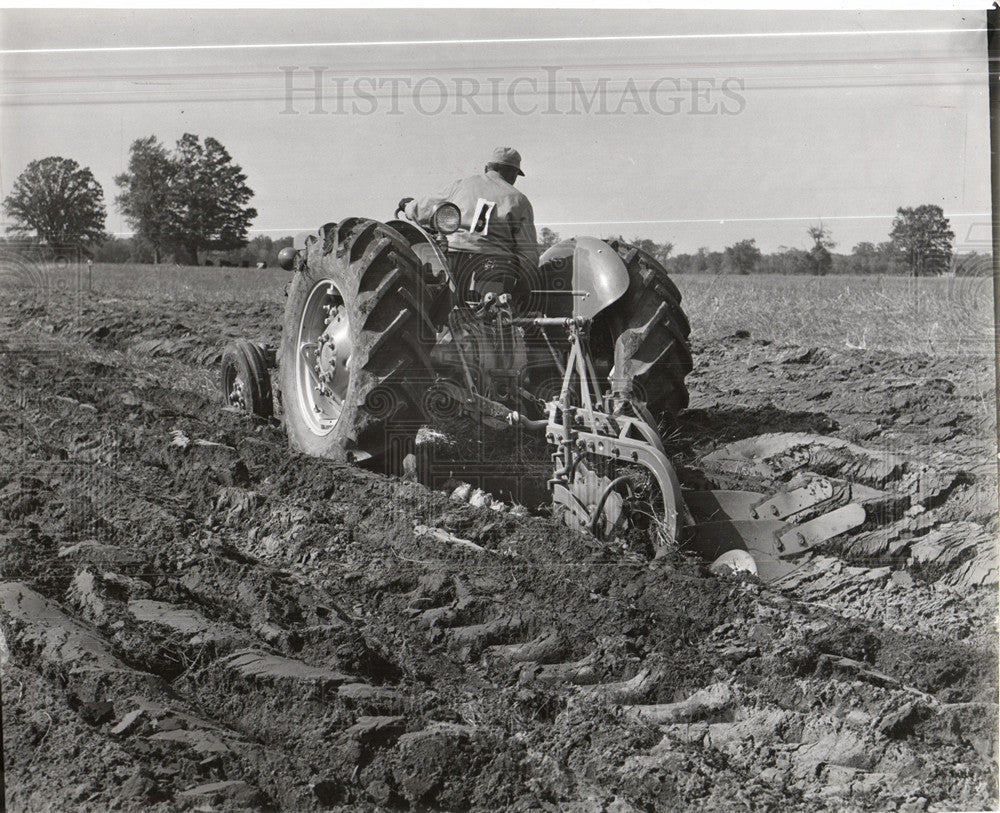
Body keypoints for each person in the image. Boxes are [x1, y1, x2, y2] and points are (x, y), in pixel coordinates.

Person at [399, 147, 539, 299]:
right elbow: (528, 254)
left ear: (487, 167)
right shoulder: (519, 200)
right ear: (513, 173)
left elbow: (424, 208)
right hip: (496, 268)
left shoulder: (461, 185)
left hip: (452, 262)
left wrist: (408, 206)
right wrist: (524, 284)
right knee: (493, 314)